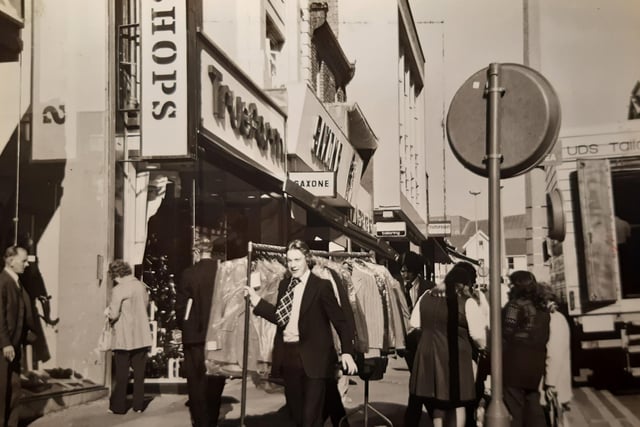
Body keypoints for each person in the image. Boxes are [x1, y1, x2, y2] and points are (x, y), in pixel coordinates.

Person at [245, 239, 358, 427]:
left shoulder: (321, 286)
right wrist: (257, 301)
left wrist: (347, 351)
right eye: (289, 261)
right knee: (297, 417)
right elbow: (280, 317)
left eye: (297, 260)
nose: (293, 265)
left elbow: (340, 321)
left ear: (307, 259)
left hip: (316, 359)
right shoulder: (284, 285)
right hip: (290, 357)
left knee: (309, 418)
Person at [405, 263, 483, 427]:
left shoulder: (426, 295)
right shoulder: (467, 302)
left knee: (439, 402)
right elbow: (478, 336)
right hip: (456, 356)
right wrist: (484, 349)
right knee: (457, 401)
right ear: (465, 283)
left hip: (428, 354)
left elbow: (414, 324)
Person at [175, 237, 226, 427]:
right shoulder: (222, 273)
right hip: (217, 336)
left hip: (194, 335)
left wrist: (184, 326)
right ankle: (212, 418)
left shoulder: (188, 274)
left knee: (196, 381)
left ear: (196, 252)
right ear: (211, 251)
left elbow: (180, 307)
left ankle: (200, 420)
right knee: (215, 378)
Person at [502, 271, 550, 427]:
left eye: (511, 284)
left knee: (515, 409)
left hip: (515, 363)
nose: (509, 288)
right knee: (533, 403)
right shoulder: (543, 307)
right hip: (536, 363)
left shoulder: (515, 305)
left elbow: (506, 332)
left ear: (517, 286)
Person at [105, 259, 152, 414]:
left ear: (117, 274)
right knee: (139, 374)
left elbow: (114, 313)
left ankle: (118, 407)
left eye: (113, 276)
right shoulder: (141, 286)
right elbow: (144, 307)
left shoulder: (119, 290)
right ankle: (138, 405)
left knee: (122, 374)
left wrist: (107, 312)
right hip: (142, 336)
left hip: (124, 337)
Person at [0, 246, 37, 427]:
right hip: (5, 348)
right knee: (2, 389)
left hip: (15, 346)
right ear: (10, 260)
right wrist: (5, 343)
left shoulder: (16, 281)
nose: (27, 264)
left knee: (14, 388)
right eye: (23, 260)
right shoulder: (3, 282)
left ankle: (11, 423)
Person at [400, 251, 432, 370]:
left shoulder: (429, 287)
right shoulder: (397, 287)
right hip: (407, 340)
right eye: (403, 271)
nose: (406, 275)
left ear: (416, 270)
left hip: (424, 337)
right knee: (413, 372)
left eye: (409, 271)